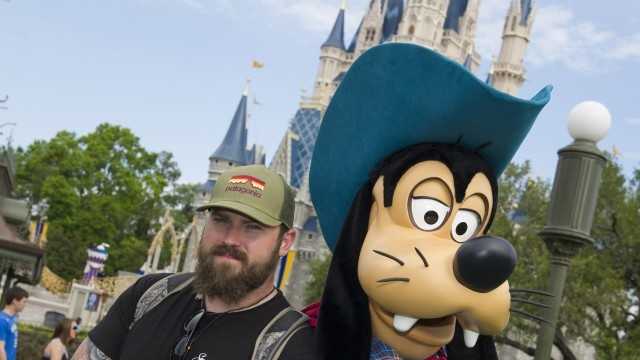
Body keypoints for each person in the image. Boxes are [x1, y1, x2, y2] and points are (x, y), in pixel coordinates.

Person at [72, 165, 319, 360]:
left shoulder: (291, 344)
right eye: (221, 220)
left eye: (252, 227)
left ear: (286, 241)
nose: (231, 239)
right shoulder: (149, 295)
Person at [0, 286, 29, 360]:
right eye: (24, 301)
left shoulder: (11, 319)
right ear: (14, 301)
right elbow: (0, 349)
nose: (25, 305)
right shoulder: (2, 320)